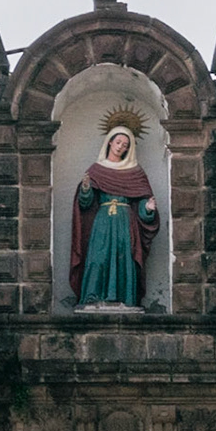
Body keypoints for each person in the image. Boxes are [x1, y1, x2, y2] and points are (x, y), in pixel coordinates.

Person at [70, 125, 160, 307]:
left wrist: (148, 209)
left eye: (125, 145)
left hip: (126, 222)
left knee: (124, 258)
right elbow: (85, 204)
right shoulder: (96, 170)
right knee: (97, 259)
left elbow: (141, 202)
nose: (120, 147)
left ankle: (125, 300)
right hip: (102, 222)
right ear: (109, 142)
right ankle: (92, 299)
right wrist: (86, 189)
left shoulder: (135, 172)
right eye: (118, 142)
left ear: (129, 148)